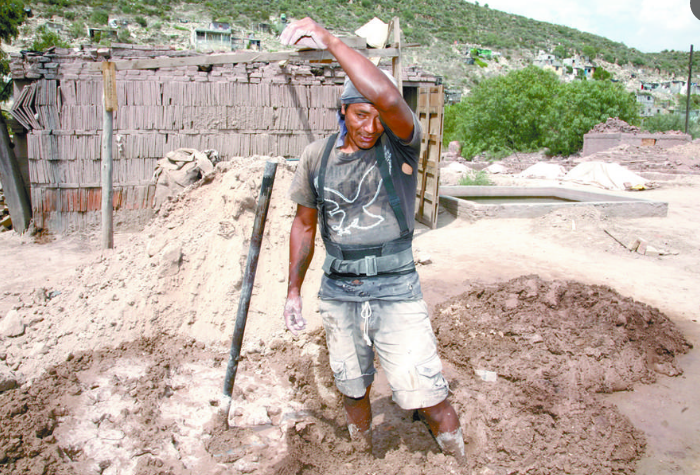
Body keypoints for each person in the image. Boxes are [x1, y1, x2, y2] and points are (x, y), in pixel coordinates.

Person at [280, 18, 466, 460]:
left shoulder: (399, 144)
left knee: (428, 394)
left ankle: (460, 461)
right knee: (352, 388)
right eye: (361, 114)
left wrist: (328, 40)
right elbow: (304, 226)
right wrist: (292, 291)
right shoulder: (316, 157)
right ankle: (361, 460)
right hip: (339, 290)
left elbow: (385, 95)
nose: (370, 125)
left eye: (378, 116)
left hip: (396, 287)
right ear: (342, 111)